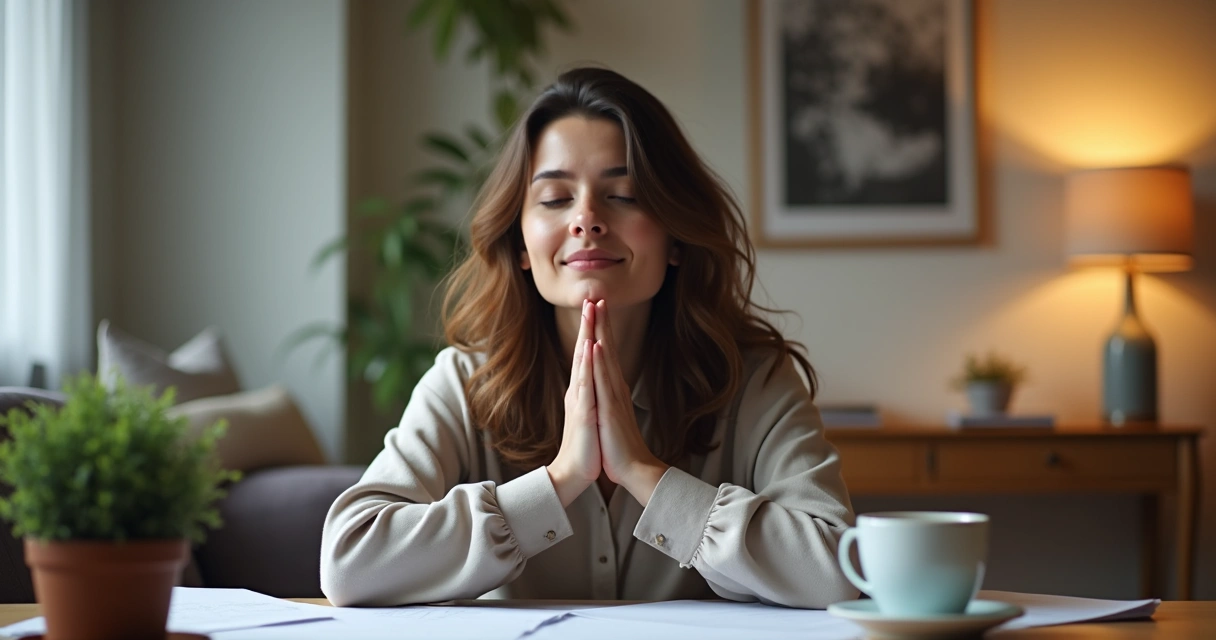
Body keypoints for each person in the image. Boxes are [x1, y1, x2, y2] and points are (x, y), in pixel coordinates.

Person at [320, 67, 858, 609]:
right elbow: (349, 564)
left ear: (675, 237)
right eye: (555, 198)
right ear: (522, 248)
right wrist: (559, 481)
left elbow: (836, 569)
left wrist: (645, 474)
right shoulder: (465, 382)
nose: (587, 219)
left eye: (622, 195)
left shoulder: (755, 382)